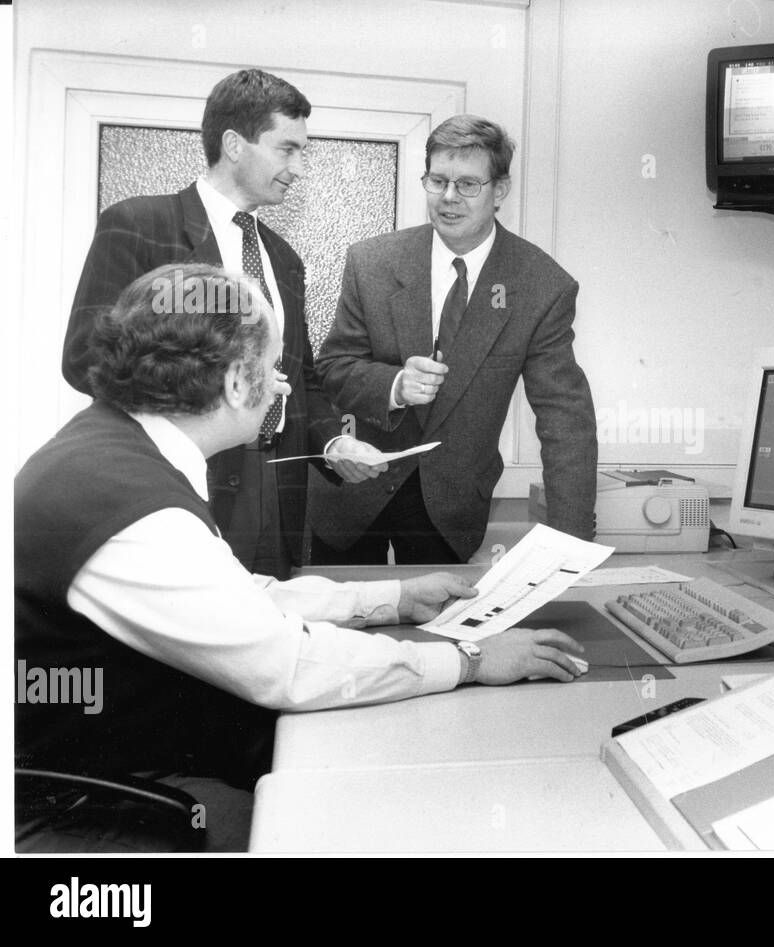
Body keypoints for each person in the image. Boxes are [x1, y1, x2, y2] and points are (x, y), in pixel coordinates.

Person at [16, 264, 588, 852]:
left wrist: (391, 598)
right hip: (101, 801)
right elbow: (285, 664)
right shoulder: (134, 509)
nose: (283, 388)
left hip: (126, 757)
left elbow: (240, 599)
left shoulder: (114, 449)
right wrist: (469, 661)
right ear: (238, 384)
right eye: (272, 370)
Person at [60, 68, 388, 580]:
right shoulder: (140, 226)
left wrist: (331, 443)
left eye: (303, 152)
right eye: (287, 149)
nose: (299, 168)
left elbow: (300, 378)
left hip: (279, 491)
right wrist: (229, 387)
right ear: (234, 144)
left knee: (270, 633)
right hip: (184, 481)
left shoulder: (284, 259)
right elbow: (86, 359)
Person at [309, 114, 598, 564]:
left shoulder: (542, 286)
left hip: (448, 510)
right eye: (437, 181)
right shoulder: (372, 262)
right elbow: (332, 369)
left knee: (437, 631)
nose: (448, 198)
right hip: (352, 493)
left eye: (467, 184)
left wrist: (570, 544)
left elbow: (565, 420)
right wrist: (395, 386)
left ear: (499, 191)